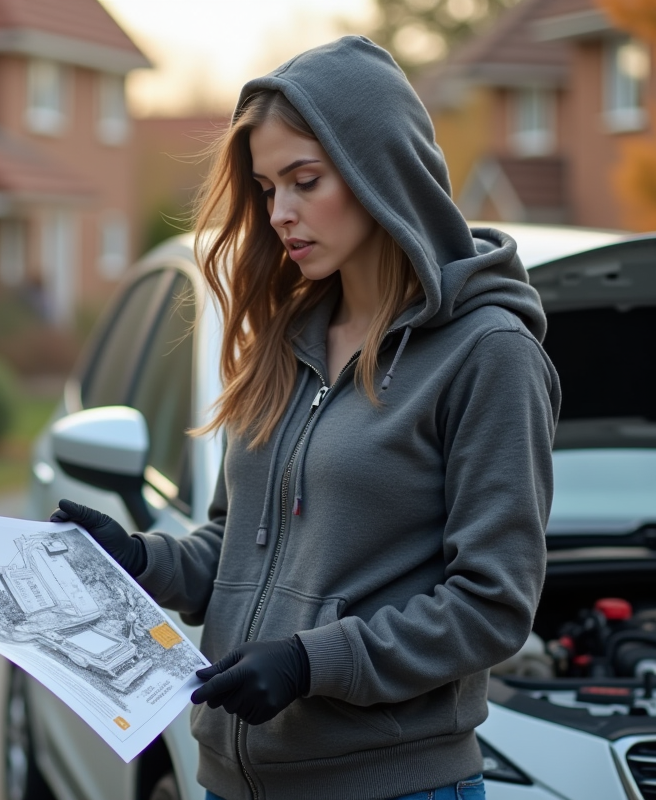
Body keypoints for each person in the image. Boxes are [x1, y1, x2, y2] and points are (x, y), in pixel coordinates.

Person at [52, 35, 559, 800]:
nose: (281, 213)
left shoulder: (488, 354)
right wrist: (138, 562)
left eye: (305, 180)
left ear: (378, 170)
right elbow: (235, 545)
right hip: (231, 781)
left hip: (392, 788)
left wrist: (309, 662)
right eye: (266, 188)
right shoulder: (286, 339)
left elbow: (491, 606)